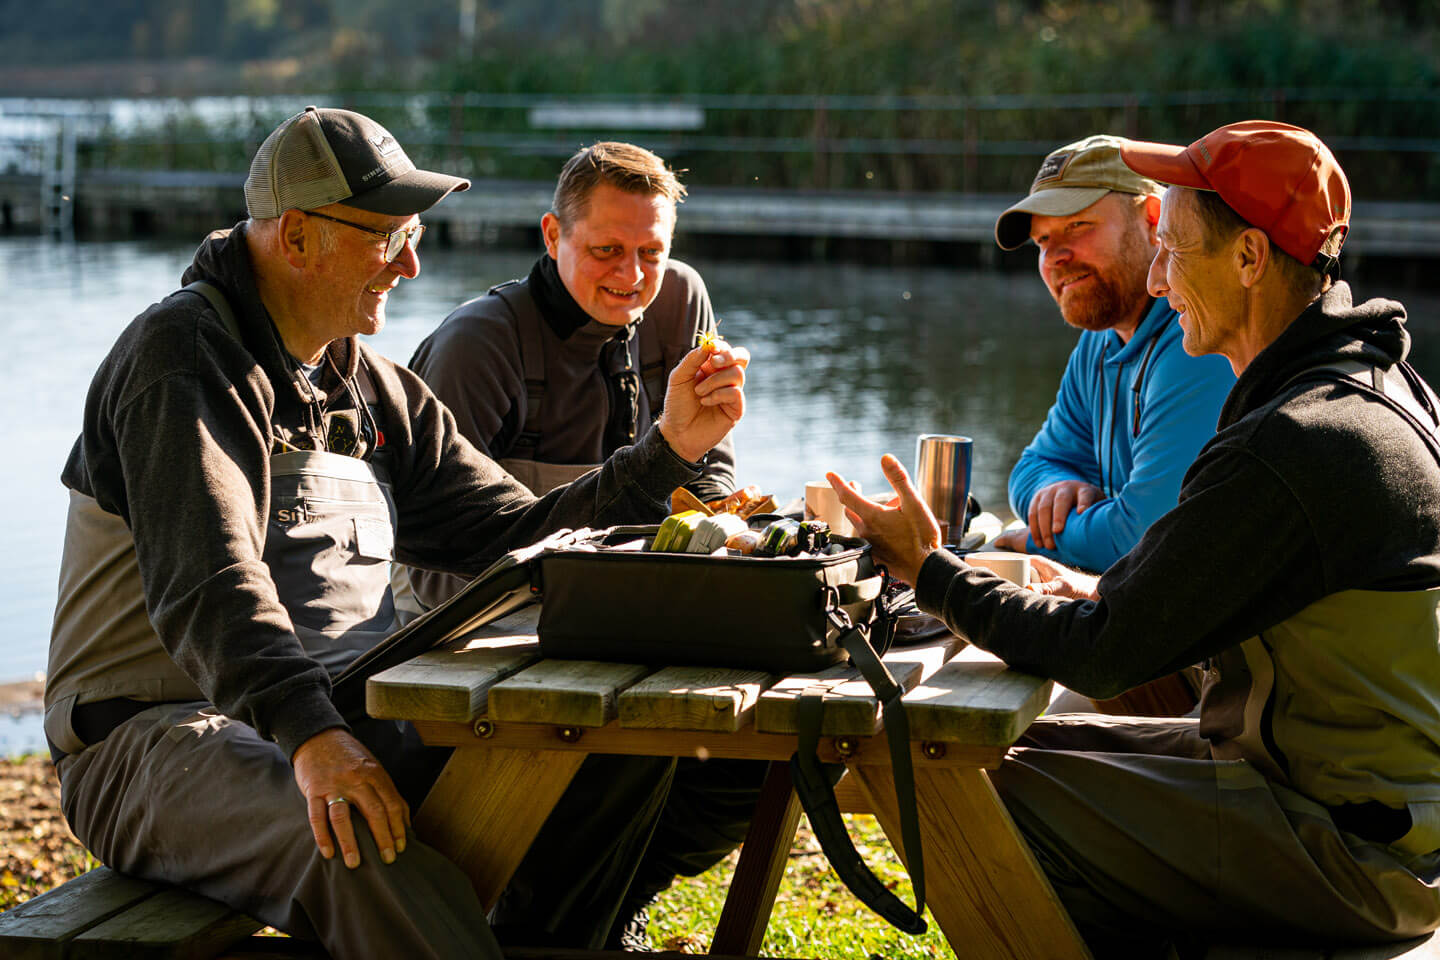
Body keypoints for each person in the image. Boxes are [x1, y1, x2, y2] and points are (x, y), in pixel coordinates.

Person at [43, 107, 750, 960]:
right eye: (387, 236)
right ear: (297, 237)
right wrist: (315, 738)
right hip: (157, 738)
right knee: (357, 844)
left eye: (414, 233)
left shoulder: (366, 382)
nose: (413, 264)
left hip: (339, 713)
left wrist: (665, 452)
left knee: (602, 758)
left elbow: (511, 536)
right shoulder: (182, 357)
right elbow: (211, 584)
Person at [829, 121, 1440, 956]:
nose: (1158, 276)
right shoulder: (1363, 385)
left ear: (1250, 258)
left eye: (1174, 250)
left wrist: (927, 568)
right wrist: (1090, 585)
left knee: (949, 774)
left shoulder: (1301, 440)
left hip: (1352, 849)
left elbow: (1105, 652)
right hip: (1348, 801)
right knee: (1002, 745)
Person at [398, 141, 761, 950]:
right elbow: (435, 555)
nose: (632, 275)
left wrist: (728, 524)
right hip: (476, 632)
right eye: (606, 251)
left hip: (631, 620)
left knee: (765, 751)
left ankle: (609, 901)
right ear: (550, 236)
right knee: (625, 744)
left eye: (652, 252)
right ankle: (550, 927)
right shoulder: (477, 346)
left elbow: (711, 473)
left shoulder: (680, 303)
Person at [990, 134, 1234, 572]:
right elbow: (1033, 466)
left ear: (1154, 220)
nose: (1055, 257)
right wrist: (1057, 487)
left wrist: (1039, 539)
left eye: (1077, 226)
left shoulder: (1198, 338)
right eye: (1042, 241)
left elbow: (1143, 538)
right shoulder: (1100, 343)